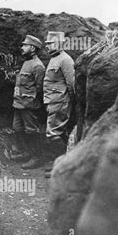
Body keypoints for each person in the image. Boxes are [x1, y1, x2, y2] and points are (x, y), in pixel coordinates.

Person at [10, 35, 46, 170]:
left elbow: (40, 88)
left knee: (31, 131)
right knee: (17, 128)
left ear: (32, 48)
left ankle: (37, 157)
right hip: (19, 103)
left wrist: (32, 101)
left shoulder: (38, 66)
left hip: (29, 105)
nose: (22, 48)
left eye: (25, 45)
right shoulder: (26, 62)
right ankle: (27, 152)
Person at [43, 31, 75, 160]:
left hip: (60, 101)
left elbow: (71, 83)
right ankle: (58, 161)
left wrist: (69, 100)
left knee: (53, 132)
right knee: (56, 132)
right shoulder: (54, 58)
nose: (47, 46)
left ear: (58, 43)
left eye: (50, 43)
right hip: (52, 101)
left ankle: (60, 163)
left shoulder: (65, 59)